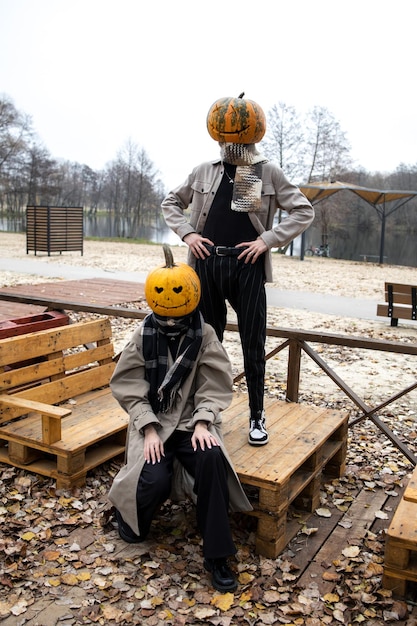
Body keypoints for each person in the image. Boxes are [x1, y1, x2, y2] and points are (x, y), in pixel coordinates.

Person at [161, 94, 315, 446]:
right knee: (205, 342)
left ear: (253, 133)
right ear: (217, 133)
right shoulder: (204, 171)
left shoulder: (264, 172)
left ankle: (257, 416)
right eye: (225, 133)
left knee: (253, 343)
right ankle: (204, 413)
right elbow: (171, 202)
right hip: (206, 267)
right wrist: (189, 234)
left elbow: (304, 211)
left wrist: (268, 241)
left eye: (237, 133)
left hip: (247, 268)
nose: (230, 139)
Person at [108, 248, 251, 593]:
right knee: (152, 479)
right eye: (161, 291)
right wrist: (149, 427)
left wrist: (204, 421)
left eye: (175, 291)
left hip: (189, 423)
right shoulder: (143, 336)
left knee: (213, 457)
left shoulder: (204, 336)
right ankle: (129, 515)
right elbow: (127, 386)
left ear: (192, 292)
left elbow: (214, 385)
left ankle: (217, 554)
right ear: (152, 294)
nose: (169, 300)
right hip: (153, 423)